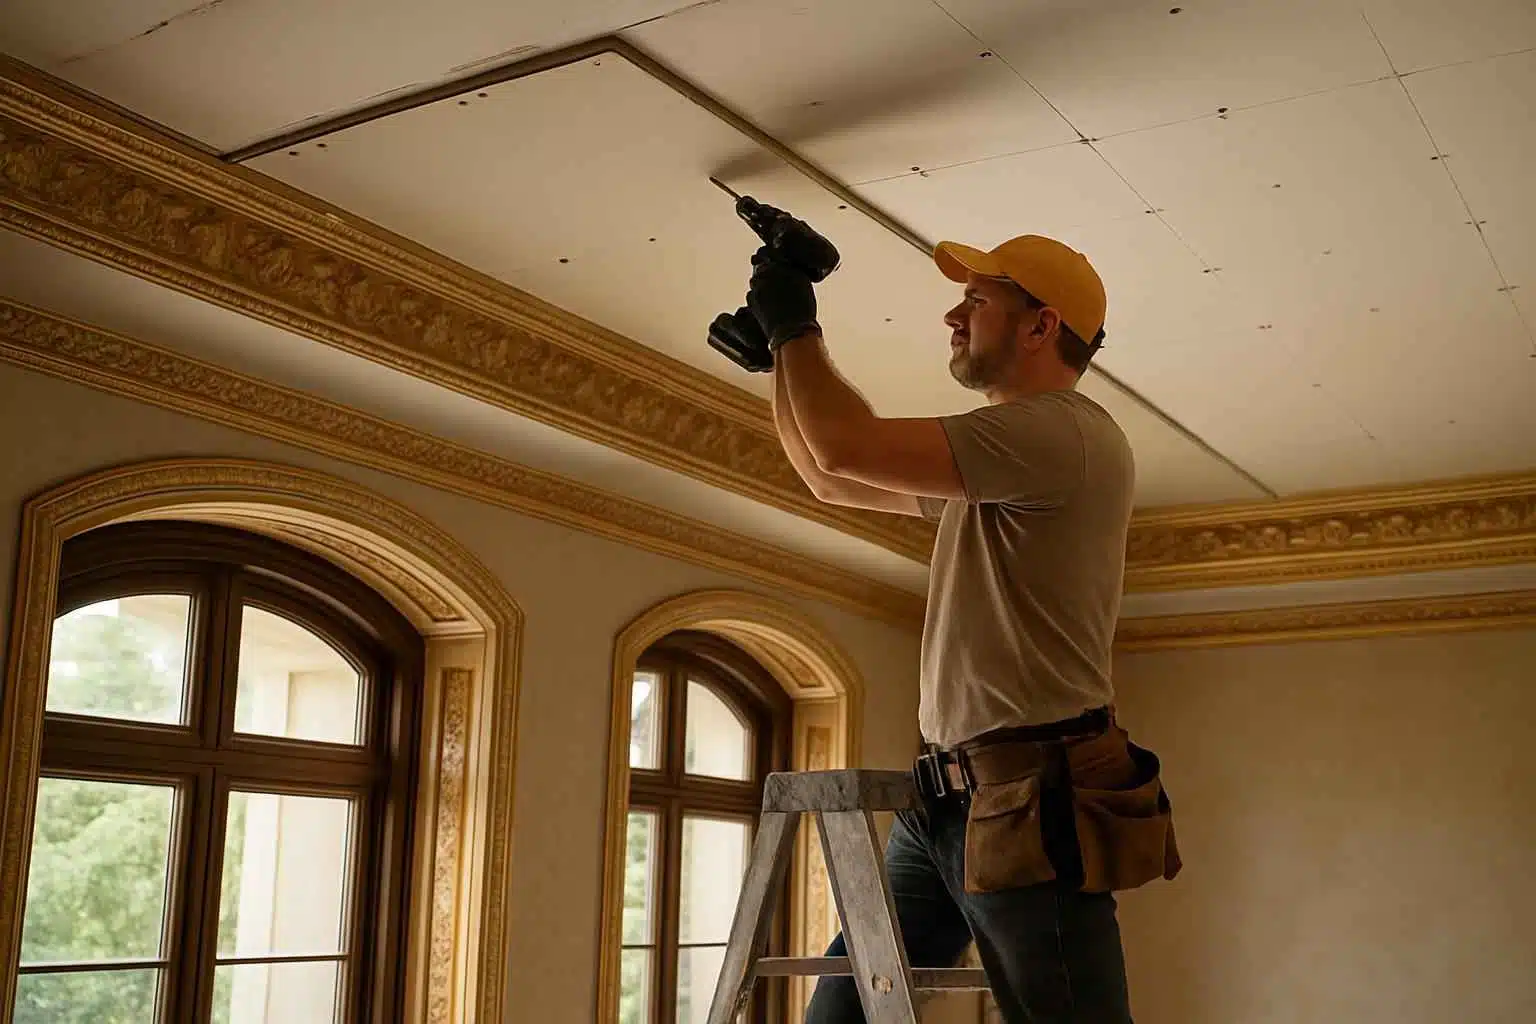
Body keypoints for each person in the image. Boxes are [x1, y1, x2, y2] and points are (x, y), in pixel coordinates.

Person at [741, 229, 1182, 1023]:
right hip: (942, 797)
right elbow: (828, 478)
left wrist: (794, 330)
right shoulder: (1000, 465)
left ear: (1041, 326)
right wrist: (783, 360)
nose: (954, 315)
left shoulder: (1061, 433)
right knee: (842, 1016)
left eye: (977, 302)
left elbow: (842, 449)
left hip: (1028, 796)